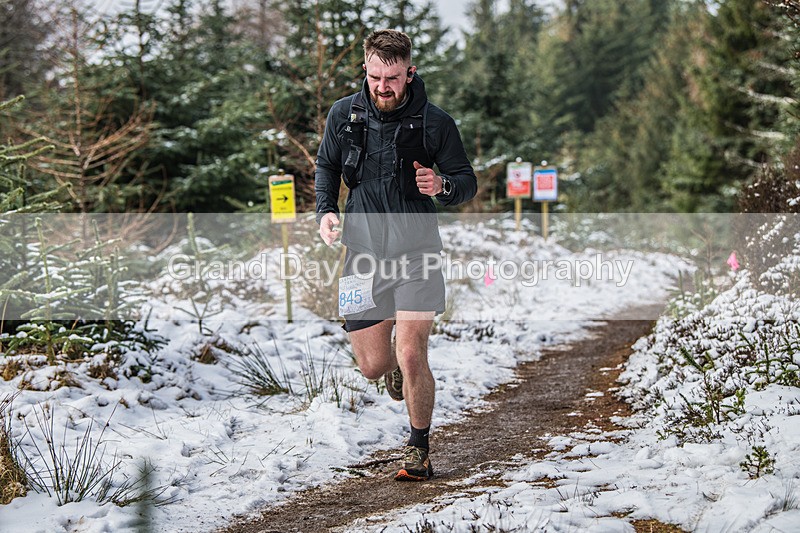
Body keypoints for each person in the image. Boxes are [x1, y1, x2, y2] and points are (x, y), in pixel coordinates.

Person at [315, 29, 477, 481]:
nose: (382, 87)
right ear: (364, 69)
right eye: (373, 76)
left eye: (391, 77)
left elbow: (466, 179)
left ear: (410, 72)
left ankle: (418, 448)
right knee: (371, 365)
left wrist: (441, 186)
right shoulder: (343, 114)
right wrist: (326, 211)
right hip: (361, 254)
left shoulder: (434, 122)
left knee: (410, 352)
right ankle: (391, 374)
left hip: (418, 252)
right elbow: (326, 165)